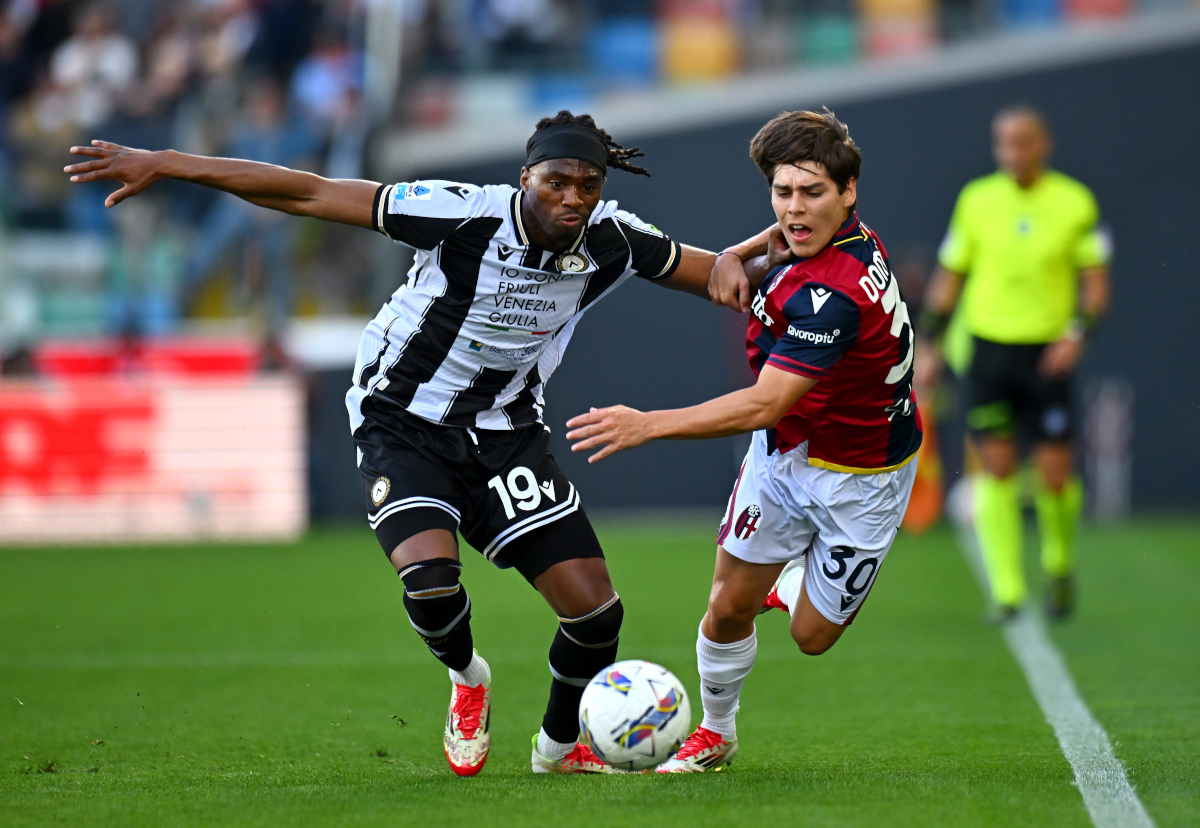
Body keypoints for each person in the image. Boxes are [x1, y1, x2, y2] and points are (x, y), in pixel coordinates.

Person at [65, 110, 771, 776]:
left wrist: (797, 249)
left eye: (587, 186)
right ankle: (469, 678)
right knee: (431, 584)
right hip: (401, 420)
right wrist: (171, 163)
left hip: (505, 432)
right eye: (558, 182)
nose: (573, 199)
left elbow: (715, 273)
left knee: (596, 614)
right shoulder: (461, 212)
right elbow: (310, 193)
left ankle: (557, 749)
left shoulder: (612, 240)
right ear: (526, 178)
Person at [566, 108, 922, 771]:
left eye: (812, 193)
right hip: (787, 451)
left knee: (811, 637)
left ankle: (789, 582)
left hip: (861, 473)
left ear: (848, 194)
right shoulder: (825, 235)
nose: (794, 209)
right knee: (726, 606)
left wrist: (648, 424)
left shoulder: (837, 294)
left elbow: (764, 402)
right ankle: (717, 734)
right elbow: (782, 237)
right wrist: (734, 252)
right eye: (783, 192)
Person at [915, 105, 1110, 622]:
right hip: (989, 351)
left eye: (1022, 142)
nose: (1012, 153)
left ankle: (1058, 561)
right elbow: (951, 275)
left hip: (1047, 355)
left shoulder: (1074, 202)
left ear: (1043, 144)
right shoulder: (977, 201)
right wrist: (929, 345)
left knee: (1053, 475)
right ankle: (1006, 591)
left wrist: (1078, 333)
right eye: (1003, 143)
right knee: (995, 470)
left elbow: (1095, 284)